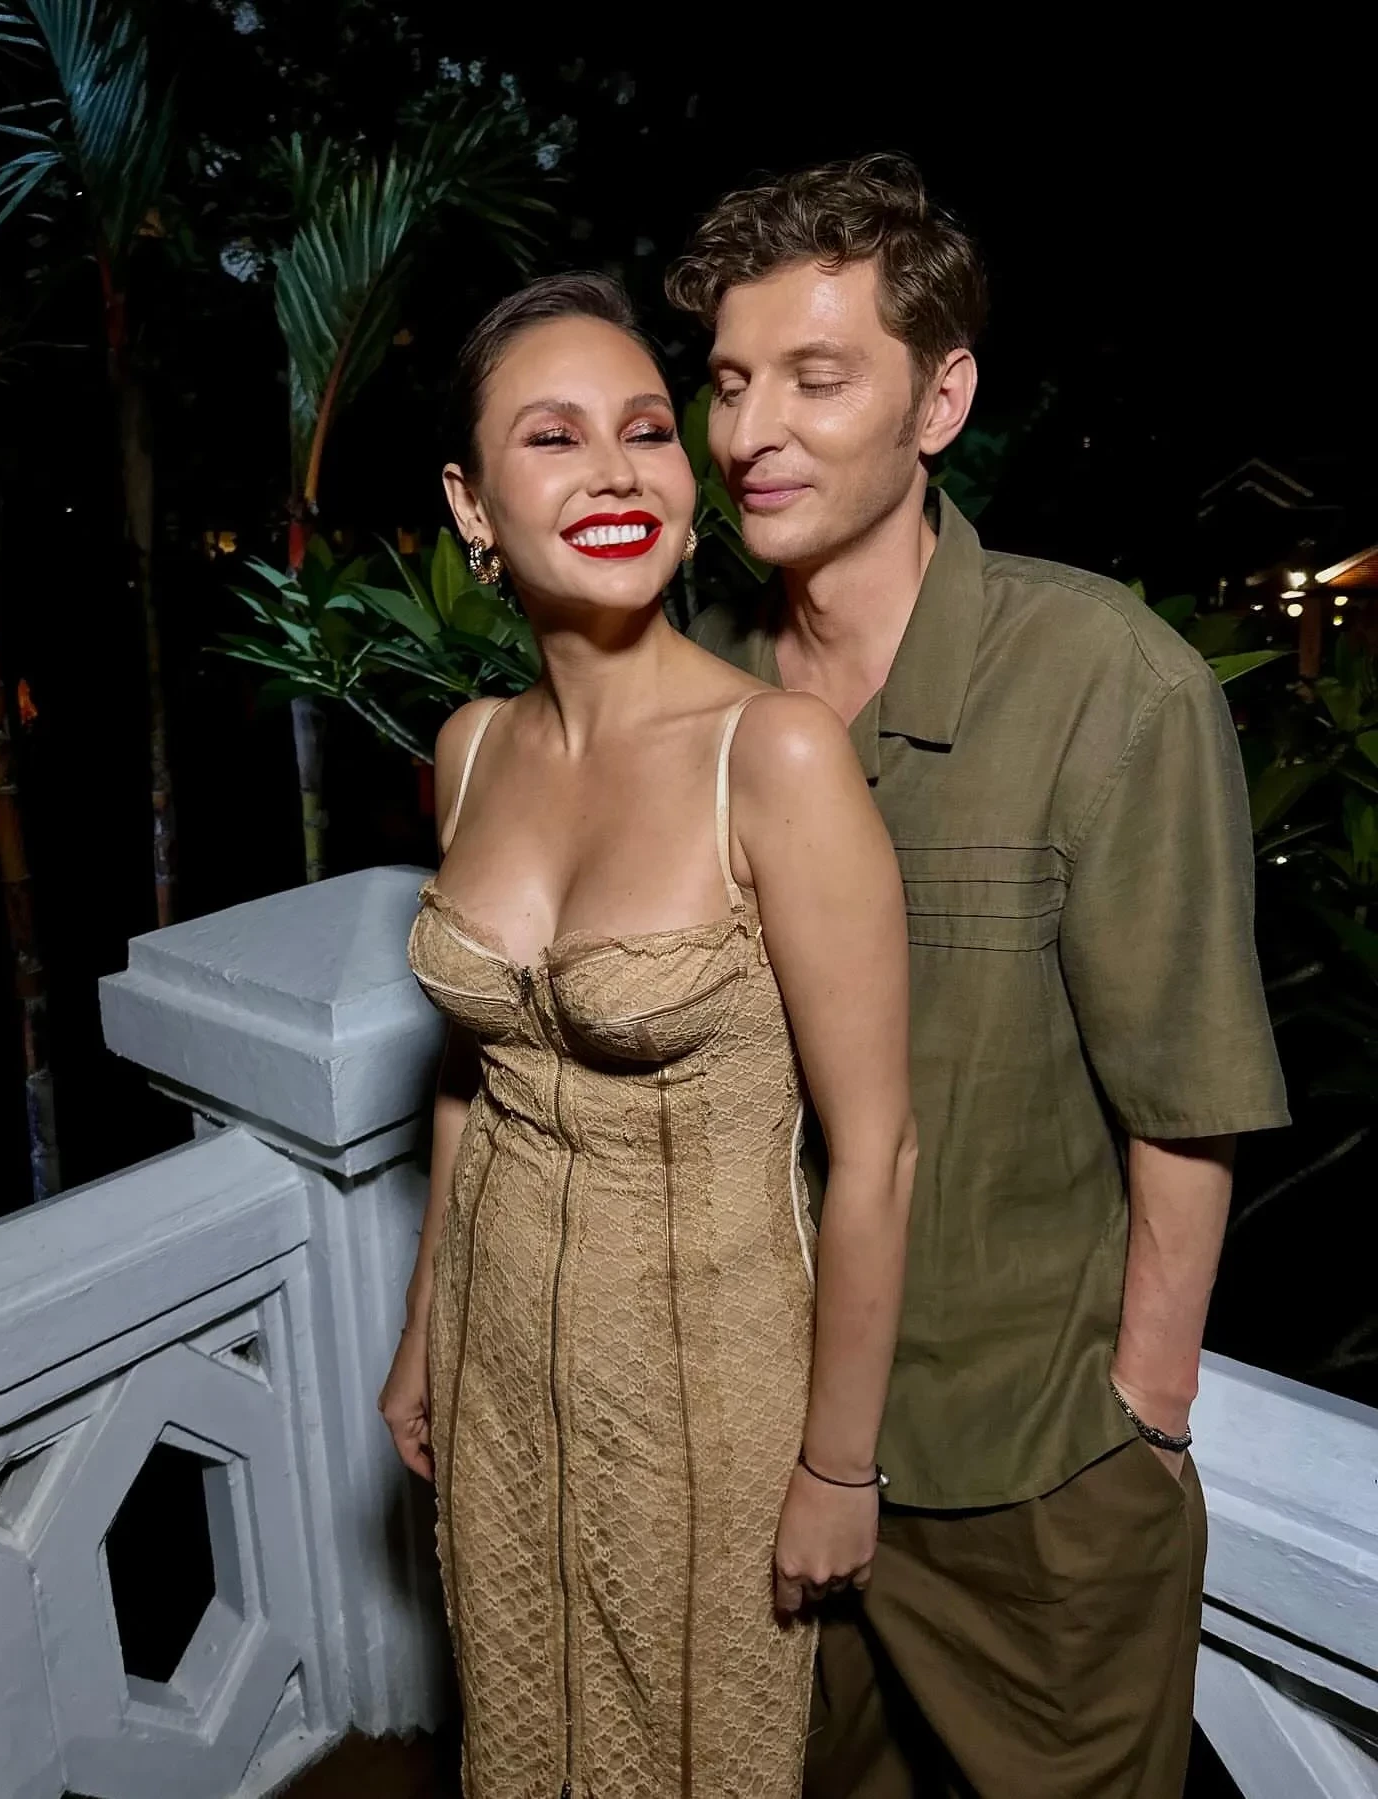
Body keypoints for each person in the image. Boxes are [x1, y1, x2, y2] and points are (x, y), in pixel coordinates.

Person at [666, 155, 1289, 1799]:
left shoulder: (1108, 684)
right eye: (730, 381)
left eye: (817, 377)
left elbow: (1187, 1099)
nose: (752, 432)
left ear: (938, 401)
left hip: (1027, 1475)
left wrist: (1142, 1418)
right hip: (755, 1447)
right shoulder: (693, 685)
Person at [377, 271, 917, 1799]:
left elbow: (878, 1150)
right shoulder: (472, 751)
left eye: (647, 430)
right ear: (473, 506)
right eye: (553, 437)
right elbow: (473, 1074)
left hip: (706, 1396)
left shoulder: (775, 754)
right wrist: (424, 1328)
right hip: (497, 1360)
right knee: (521, 1726)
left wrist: (838, 1463)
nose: (616, 472)